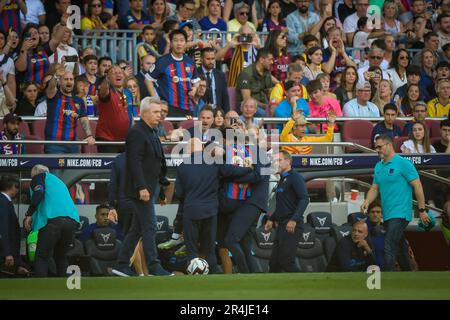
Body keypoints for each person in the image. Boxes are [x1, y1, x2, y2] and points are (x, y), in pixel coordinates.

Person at [112, 97, 172, 277]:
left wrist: (160, 189)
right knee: (150, 226)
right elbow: (134, 162)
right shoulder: (137, 132)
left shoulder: (152, 132)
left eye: (160, 112)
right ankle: (154, 266)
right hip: (141, 191)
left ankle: (121, 266)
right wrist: (141, 187)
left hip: (149, 188)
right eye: (155, 112)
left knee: (136, 229)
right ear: (143, 113)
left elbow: (156, 164)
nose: (159, 115)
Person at [175, 138, 254, 273]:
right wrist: (249, 168)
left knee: (192, 249)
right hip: (210, 211)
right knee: (209, 248)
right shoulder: (214, 163)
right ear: (202, 148)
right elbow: (233, 171)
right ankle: (214, 275)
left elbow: (179, 193)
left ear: (189, 149)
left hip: (191, 210)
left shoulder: (182, 166)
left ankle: (195, 276)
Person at [361, 134, 430, 271]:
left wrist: (422, 211)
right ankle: (408, 273)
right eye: (376, 148)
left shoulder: (403, 163)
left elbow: (418, 186)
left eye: (379, 147)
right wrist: (367, 201)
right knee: (399, 246)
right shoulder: (378, 166)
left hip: (401, 212)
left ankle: (388, 277)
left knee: (389, 243)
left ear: (389, 145)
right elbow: (375, 187)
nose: (377, 150)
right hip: (387, 213)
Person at [23, 164, 80, 277]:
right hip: (72, 221)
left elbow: (38, 192)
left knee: (41, 256)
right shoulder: (59, 182)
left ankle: (41, 289)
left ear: (34, 174)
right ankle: (63, 288)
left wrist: (29, 214)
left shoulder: (39, 177)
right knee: (61, 256)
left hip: (53, 220)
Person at [264, 150, 309, 272]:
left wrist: (294, 220)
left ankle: (305, 286)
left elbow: (304, 199)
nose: (275, 163)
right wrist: (271, 219)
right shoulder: (282, 180)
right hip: (282, 225)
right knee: (274, 264)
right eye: (274, 161)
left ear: (288, 162)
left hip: (291, 226)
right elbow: (282, 205)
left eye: (279, 160)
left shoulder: (295, 177)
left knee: (286, 261)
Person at [148, 29, 199, 117]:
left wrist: (194, 89)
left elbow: (195, 81)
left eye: (181, 40)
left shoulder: (190, 62)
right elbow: (148, 79)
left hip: (189, 108)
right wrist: (156, 101)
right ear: (171, 43)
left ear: (185, 43)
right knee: (170, 131)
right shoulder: (162, 61)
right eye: (175, 40)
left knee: (192, 130)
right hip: (169, 109)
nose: (179, 43)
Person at [44, 70, 95, 154]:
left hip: (73, 145)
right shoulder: (54, 96)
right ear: (59, 82)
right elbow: (50, 88)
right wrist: (55, 76)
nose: (69, 81)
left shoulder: (78, 100)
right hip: (54, 144)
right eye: (66, 79)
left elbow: (84, 119)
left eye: (71, 79)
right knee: (56, 167)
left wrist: (89, 136)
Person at [96, 65, 134, 153]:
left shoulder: (128, 93)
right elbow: (103, 90)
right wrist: (106, 79)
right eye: (114, 73)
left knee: (124, 166)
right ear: (108, 78)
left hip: (125, 140)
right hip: (107, 139)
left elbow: (130, 116)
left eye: (120, 73)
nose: (118, 75)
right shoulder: (107, 91)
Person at [0, 175, 29, 277]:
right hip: (5, 254)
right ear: (11, 187)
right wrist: (7, 253)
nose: (17, 190)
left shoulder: (5, 201)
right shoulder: (3, 202)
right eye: (17, 187)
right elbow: (3, 229)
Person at [235, 48, 274, 115]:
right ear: (261, 60)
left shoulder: (266, 73)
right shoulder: (246, 74)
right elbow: (247, 99)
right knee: (261, 113)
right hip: (246, 106)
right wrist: (264, 106)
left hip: (262, 104)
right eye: (270, 60)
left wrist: (274, 103)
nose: (272, 62)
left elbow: (270, 93)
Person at [109, 153, 135, 236]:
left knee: (126, 236)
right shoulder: (147, 157)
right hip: (142, 203)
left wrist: (112, 206)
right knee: (142, 236)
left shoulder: (119, 159)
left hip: (124, 204)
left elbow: (112, 184)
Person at [198, 47, 230, 112]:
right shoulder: (195, 73)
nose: (211, 61)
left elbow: (225, 97)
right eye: (208, 59)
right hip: (200, 111)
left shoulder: (221, 75)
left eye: (213, 59)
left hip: (217, 112)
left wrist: (226, 113)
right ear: (201, 59)